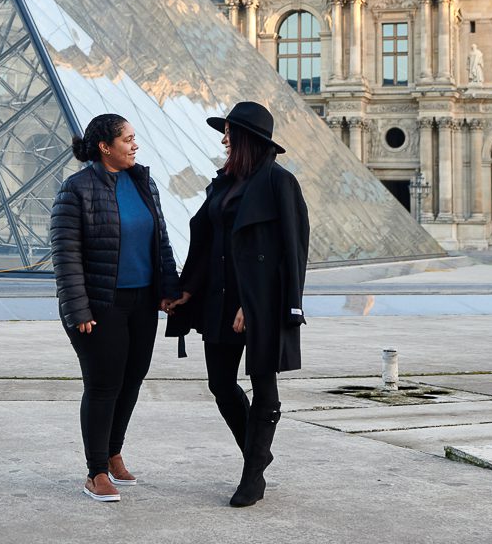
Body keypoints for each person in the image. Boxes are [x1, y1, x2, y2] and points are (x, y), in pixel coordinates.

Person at [166, 102, 309, 507]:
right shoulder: (222, 184)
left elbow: (292, 253)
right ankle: (257, 453)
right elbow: (208, 243)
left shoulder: (280, 184)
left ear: (247, 137)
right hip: (218, 298)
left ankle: (253, 475)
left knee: (264, 384)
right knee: (220, 383)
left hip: (258, 302)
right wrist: (187, 289)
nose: (224, 139)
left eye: (229, 132)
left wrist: (261, 303)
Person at [51, 114, 179, 503]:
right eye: (127, 139)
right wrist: (79, 309)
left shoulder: (143, 182)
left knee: (132, 379)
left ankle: (113, 451)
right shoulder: (77, 189)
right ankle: (95, 472)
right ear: (105, 147)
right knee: (104, 385)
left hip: (142, 302)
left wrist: (169, 288)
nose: (134, 145)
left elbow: (161, 240)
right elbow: (65, 255)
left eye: (134, 137)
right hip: (100, 305)